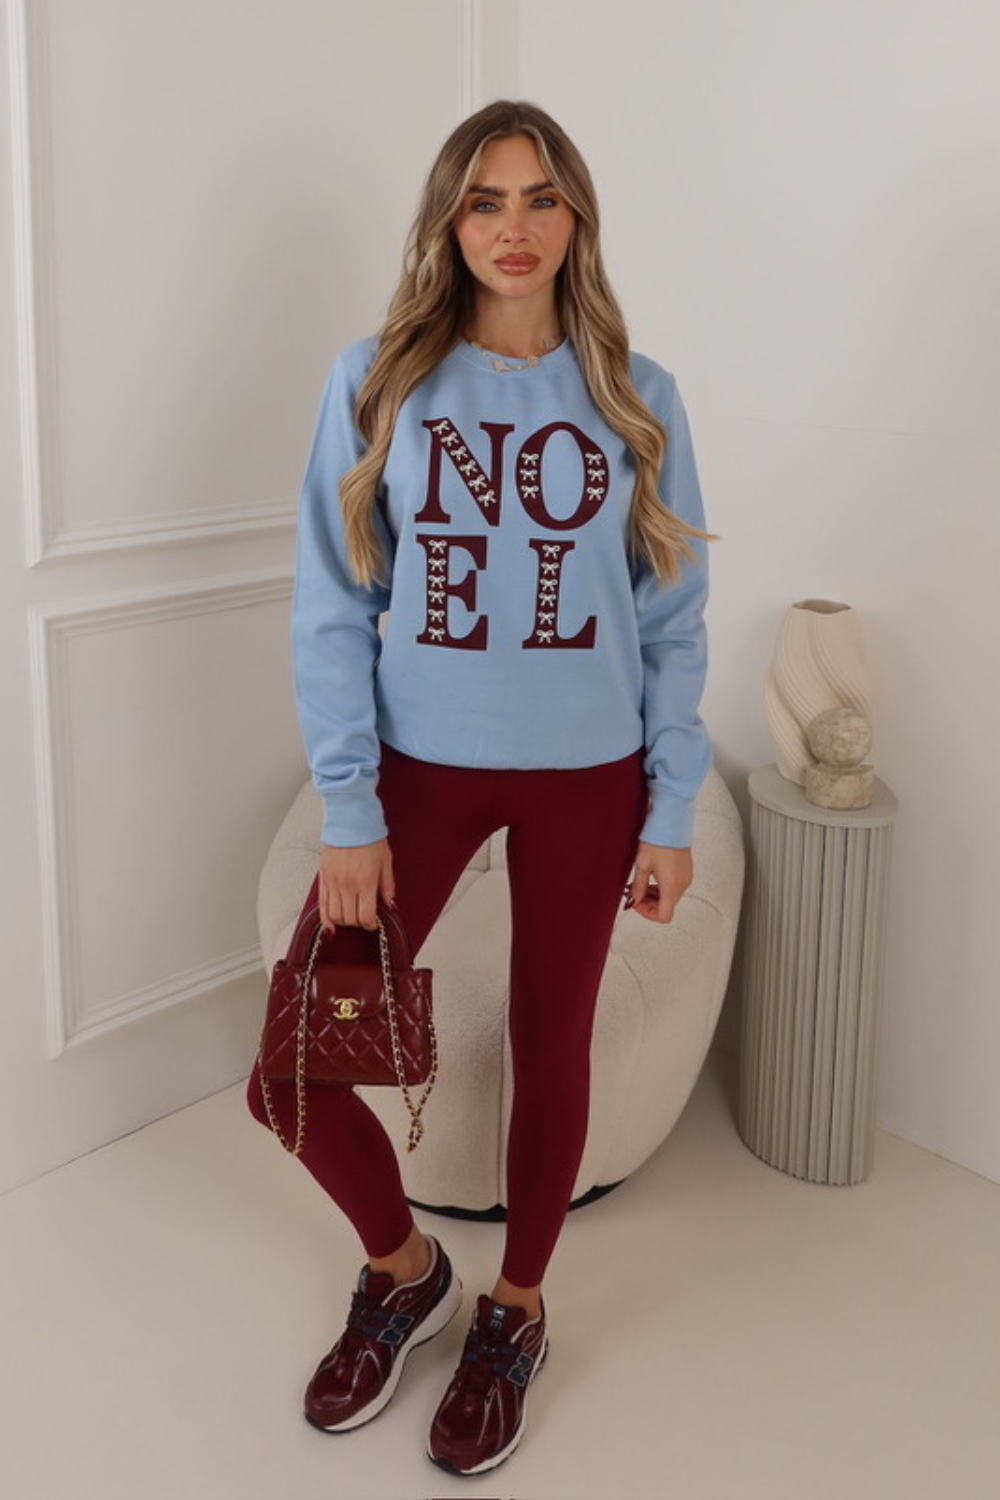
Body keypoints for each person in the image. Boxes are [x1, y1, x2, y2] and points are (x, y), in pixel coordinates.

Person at [247, 98, 712, 1479]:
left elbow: (674, 622)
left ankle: (517, 1311)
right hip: (418, 772)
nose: (515, 228)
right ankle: (406, 1274)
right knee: (291, 1070)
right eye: (485, 200)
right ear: (449, 221)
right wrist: (350, 808)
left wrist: (672, 809)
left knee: (551, 1047)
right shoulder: (379, 380)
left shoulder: (639, 395)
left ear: (577, 219)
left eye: (541, 197)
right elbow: (333, 606)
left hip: (590, 779)